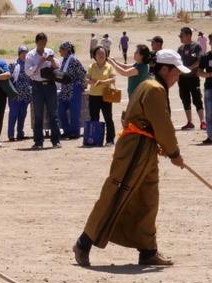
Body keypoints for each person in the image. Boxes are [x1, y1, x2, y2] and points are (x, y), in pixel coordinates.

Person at [73, 49, 188, 267]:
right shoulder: (153, 88)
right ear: (164, 69)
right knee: (117, 191)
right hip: (135, 149)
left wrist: (162, 145)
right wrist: (174, 153)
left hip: (146, 148)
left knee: (148, 197)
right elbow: (162, 124)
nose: (177, 77)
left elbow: (154, 125)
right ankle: (84, 242)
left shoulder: (150, 85)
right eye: (175, 73)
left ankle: (148, 250)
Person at [25, 32, 62, 149]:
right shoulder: (30, 55)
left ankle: (56, 141)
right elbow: (28, 72)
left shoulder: (50, 51)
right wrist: (40, 62)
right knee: (38, 114)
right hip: (37, 86)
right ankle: (38, 142)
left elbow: (57, 66)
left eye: (44, 43)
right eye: (41, 43)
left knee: (53, 113)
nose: (43, 46)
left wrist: (51, 61)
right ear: (36, 43)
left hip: (50, 85)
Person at [178, 27, 206, 131]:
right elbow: (177, 63)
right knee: (185, 99)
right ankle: (189, 122)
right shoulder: (180, 49)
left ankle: (202, 122)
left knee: (197, 99)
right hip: (182, 79)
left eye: (182, 35)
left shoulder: (196, 47)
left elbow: (199, 61)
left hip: (193, 78)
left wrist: (189, 68)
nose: (180, 37)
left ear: (188, 35)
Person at [87, 46, 116, 145]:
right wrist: (93, 82)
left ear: (106, 55)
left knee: (108, 117)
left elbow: (113, 79)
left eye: (103, 53)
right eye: (98, 53)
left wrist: (101, 82)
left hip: (106, 95)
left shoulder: (109, 66)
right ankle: (95, 139)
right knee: (94, 118)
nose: (101, 55)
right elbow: (86, 79)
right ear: (94, 55)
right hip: (93, 95)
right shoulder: (91, 66)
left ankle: (110, 140)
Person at [58, 41, 87, 140]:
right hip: (65, 88)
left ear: (66, 50)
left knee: (74, 111)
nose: (59, 51)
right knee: (60, 110)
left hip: (74, 88)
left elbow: (83, 73)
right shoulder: (64, 60)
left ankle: (75, 132)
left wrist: (81, 86)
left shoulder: (74, 60)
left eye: (61, 49)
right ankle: (66, 131)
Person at [7, 45, 31, 142]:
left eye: (26, 53)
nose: (24, 55)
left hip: (25, 95)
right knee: (13, 115)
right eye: (22, 53)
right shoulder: (13, 65)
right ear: (19, 54)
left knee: (22, 115)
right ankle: (11, 135)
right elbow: (8, 80)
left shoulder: (29, 65)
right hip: (15, 95)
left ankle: (20, 133)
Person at [197, 33, 212, 145]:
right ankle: (210, 136)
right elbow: (199, 72)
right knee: (209, 113)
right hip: (209, 88)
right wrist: (208, 75)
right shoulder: (206, 57)